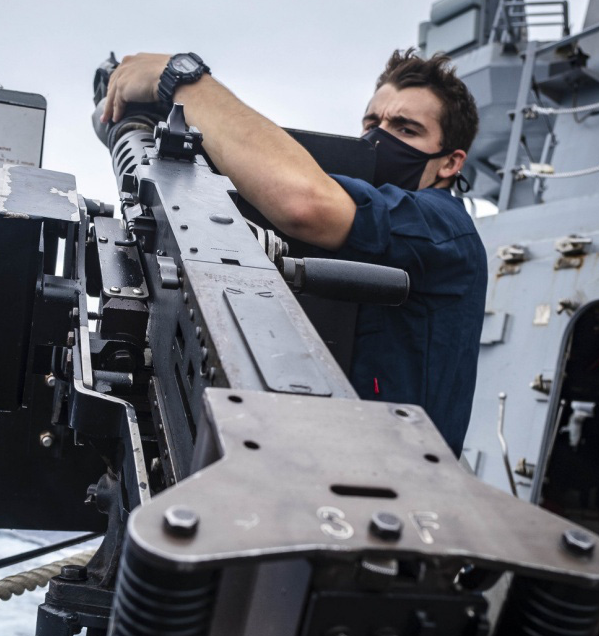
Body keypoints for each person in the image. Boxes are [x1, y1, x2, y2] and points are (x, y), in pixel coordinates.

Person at [102, 50, 487, 457]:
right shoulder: (385, 224)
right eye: (372, 123)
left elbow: (302, 203)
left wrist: (182, 80)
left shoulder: (441, 227)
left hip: (392, 479)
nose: (379, 137)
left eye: (405, 130)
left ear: (449, 162)